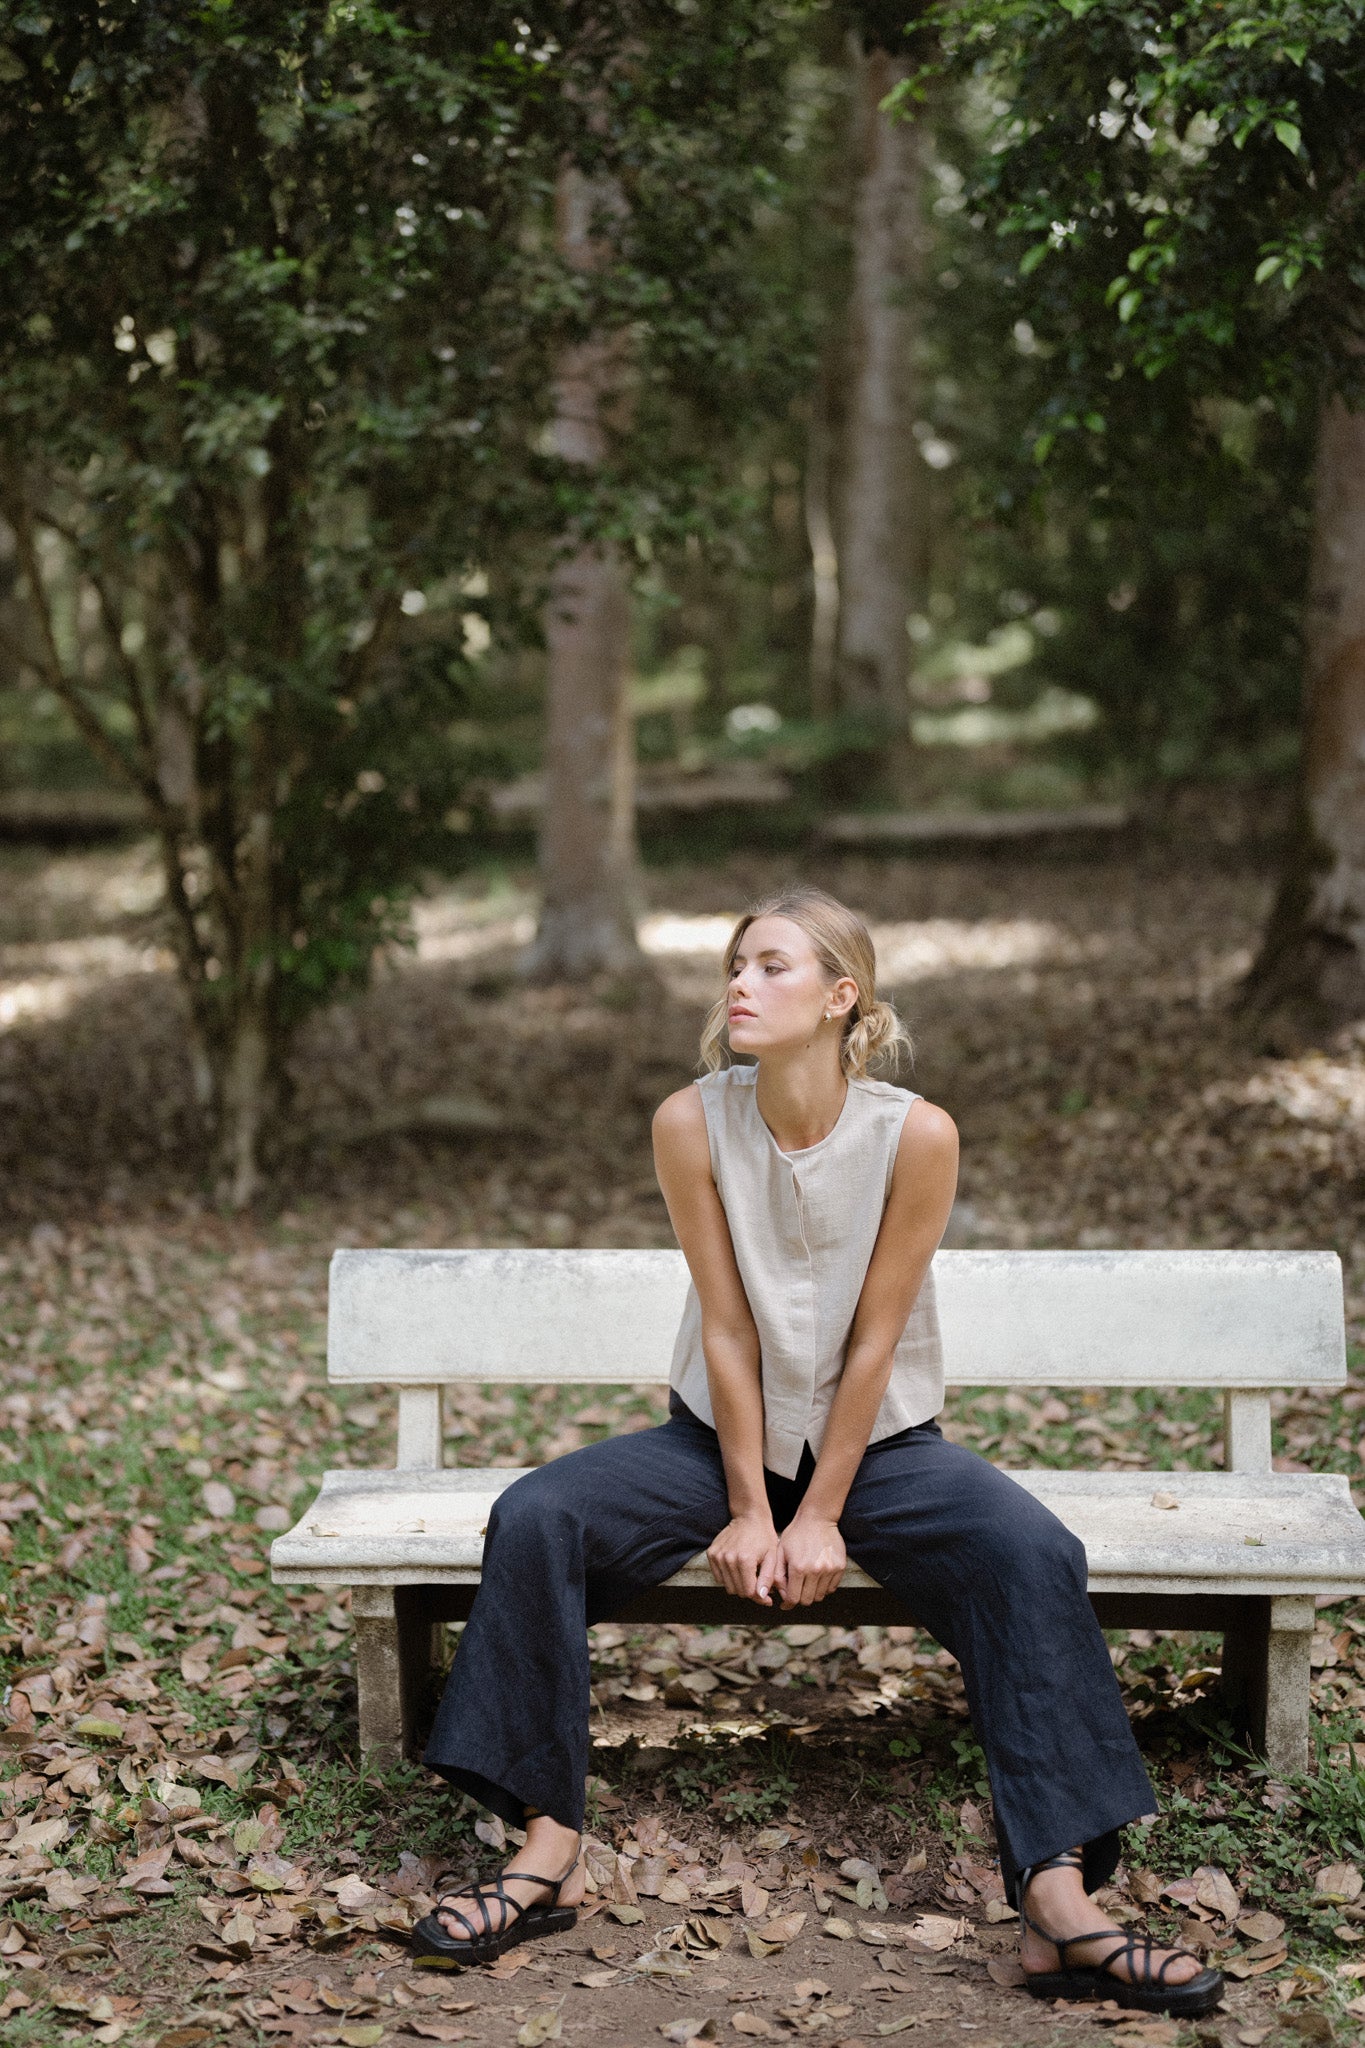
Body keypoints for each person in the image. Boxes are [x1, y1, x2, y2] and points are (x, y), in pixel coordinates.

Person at [410, 885, 1223, 2018]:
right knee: (541, 1513)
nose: (740, 983)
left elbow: (877, 1338)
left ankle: (1058, 1899)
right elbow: (729, 1323)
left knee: (1030, 1549)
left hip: (881, 1447)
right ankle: (546, 1849)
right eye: (736, 964)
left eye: (773, 965)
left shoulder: (916, 1134)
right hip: (715, 1441)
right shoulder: (690, 1121)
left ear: (844, 997)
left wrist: (822, 1508)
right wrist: (751, 1503)